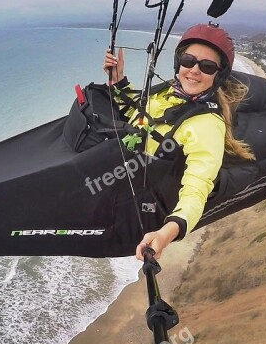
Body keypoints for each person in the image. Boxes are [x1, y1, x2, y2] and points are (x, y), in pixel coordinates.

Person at [102, 23, 255, 261]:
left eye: (206, 66)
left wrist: (165, 234)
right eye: (188, 60)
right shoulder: (167, 93)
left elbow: (197, 188)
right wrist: (117, 80)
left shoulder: (206, 125)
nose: (194, 70)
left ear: (218, 74)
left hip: (134, 202)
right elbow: (138, 116)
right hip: (118, 176)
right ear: (178, 62)